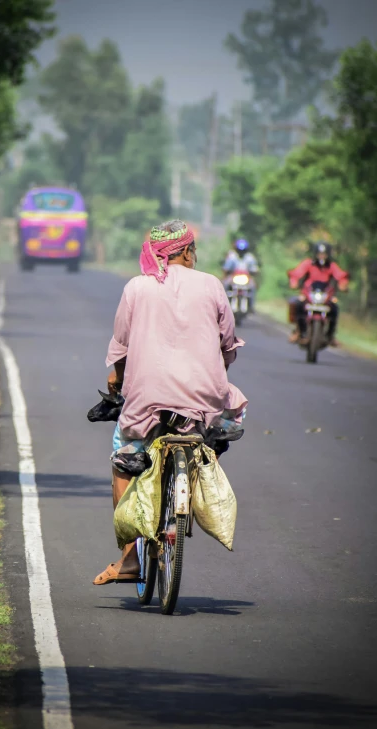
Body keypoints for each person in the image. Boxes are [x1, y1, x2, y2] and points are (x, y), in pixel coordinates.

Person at [93, 220, 247, 586]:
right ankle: (197, 468)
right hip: (204, 402)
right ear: (187, 252)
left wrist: (115, 382)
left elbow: (120, 348)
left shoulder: (137, 287)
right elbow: (228, 346)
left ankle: (129, 559)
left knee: (123, 455)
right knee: (221, 423)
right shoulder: (211, 284)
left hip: (147, 402)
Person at [288, 242, 349, 347]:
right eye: (320, 254)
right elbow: (297, 273)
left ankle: (331, 335)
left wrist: (343, 285)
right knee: (297, 304)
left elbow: (341, 276)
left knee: (334, 308)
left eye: (324, 254)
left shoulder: (331, 266)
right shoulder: (308, 263)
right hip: (308, 294)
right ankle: (298, 332)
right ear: (315, 254)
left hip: (326, 295)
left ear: (328, 254)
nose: (322, 256)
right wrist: (294, 282)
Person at [222, 238, 260, 311]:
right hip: (233, 277)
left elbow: (254, 267)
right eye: (239, 250)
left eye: (243, 251)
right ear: (236, 249)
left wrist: (255, 271)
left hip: (246, 278)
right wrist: (226, 270)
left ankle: (251, 305)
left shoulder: (249, 257)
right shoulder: (232, 256)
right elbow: (226, 267)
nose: (241, 252)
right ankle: (224, 304)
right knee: (225, 284)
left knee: (253, 287)